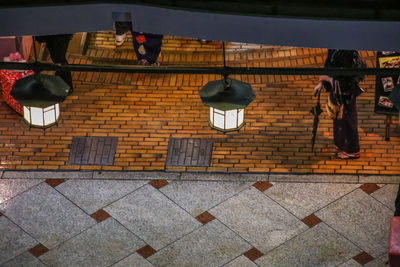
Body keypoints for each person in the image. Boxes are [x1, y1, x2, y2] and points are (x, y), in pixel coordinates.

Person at [314, 49, 366, 159]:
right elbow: (330, 67)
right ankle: (344, 144)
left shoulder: (345, 53)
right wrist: (322, 82)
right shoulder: (338, 49)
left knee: (347, 119)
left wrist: (325, 79)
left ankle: (352, 150)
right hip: (342, 91)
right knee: (341, 118)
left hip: (346, 91)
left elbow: (345, 79)